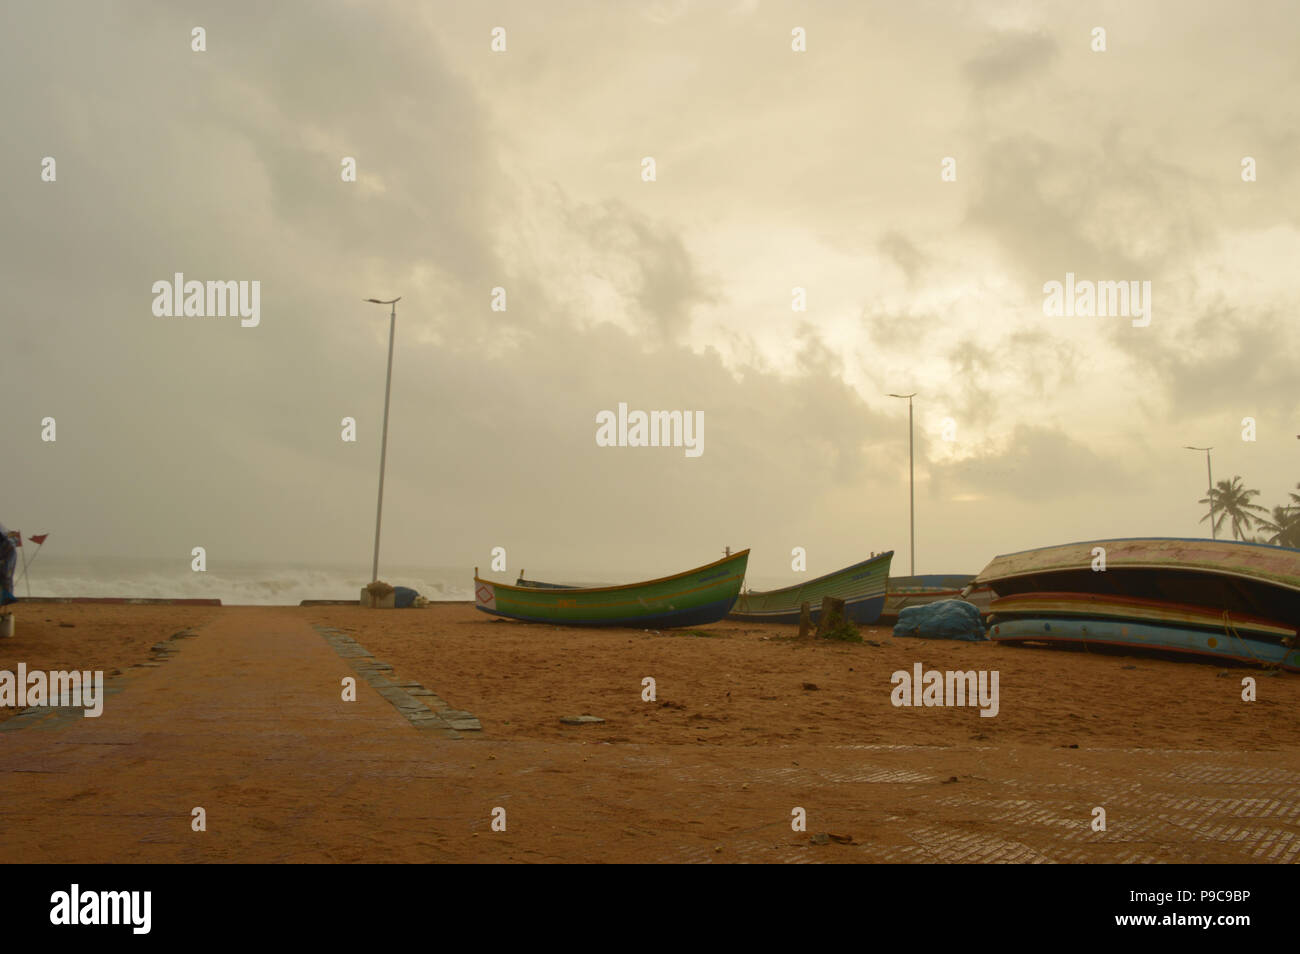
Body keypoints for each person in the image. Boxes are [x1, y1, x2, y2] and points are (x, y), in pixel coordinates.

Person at [0, 522, 17, 605]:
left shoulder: (4, 536)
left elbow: (11, 541)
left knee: (5, 574)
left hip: (8, 552)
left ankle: (7, 596)